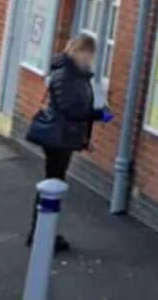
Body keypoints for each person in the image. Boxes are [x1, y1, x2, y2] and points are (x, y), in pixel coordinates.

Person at [26, 34, 113, 251]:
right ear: (80, 52)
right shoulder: (67, 75)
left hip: (62, 136)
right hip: (58, 137)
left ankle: (42, 233)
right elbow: (71, 110)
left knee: (52, 183)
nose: (90, 60)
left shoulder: (73, 74)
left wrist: (86, 138)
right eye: (89, 55)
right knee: (52, 185)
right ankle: (40, 234)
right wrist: (98, 115)